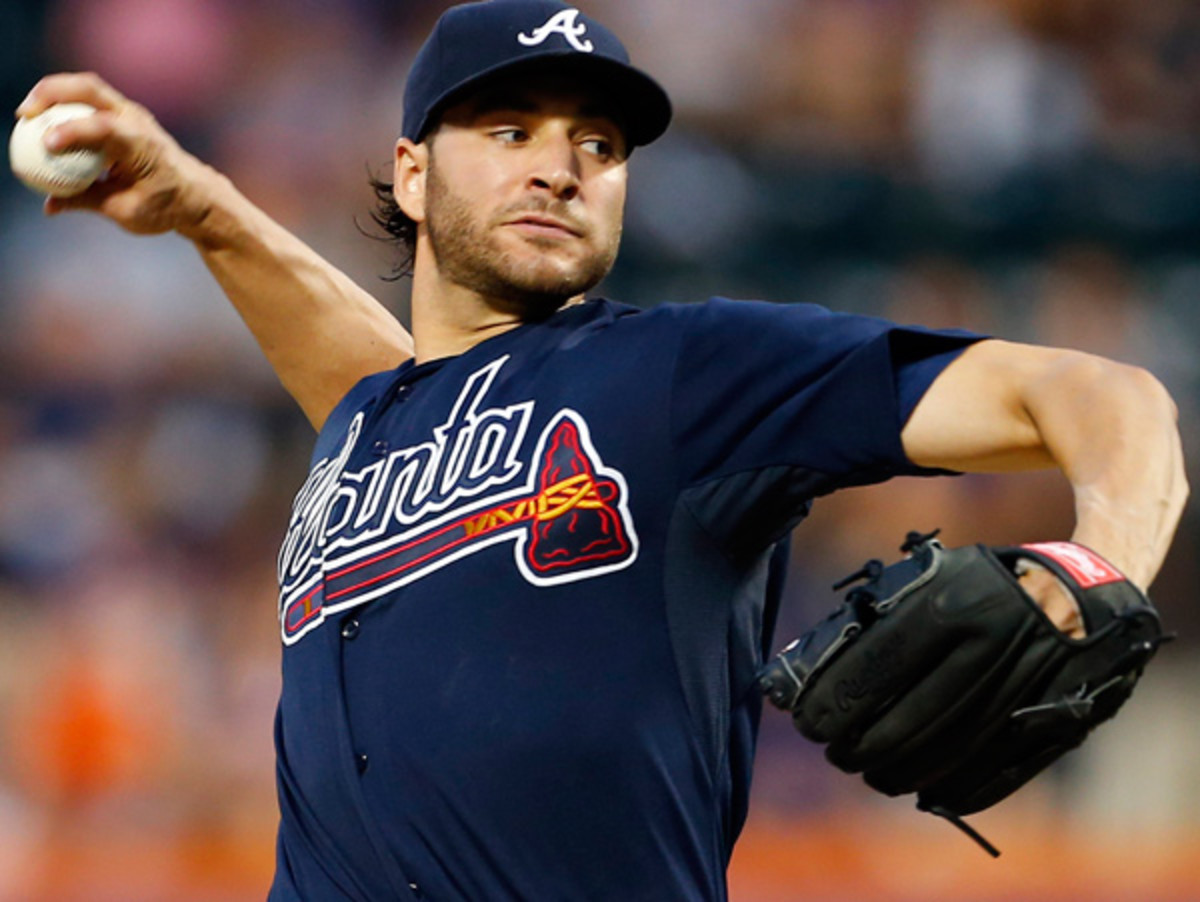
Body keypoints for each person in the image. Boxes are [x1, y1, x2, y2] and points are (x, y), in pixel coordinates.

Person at [16, 1, 1187, 899]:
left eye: (599, 143)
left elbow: (1099, 394)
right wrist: (201, 207)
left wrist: (1100, 563)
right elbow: (382, 373)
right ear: (412, 174)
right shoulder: (378, 423)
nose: (560, 164)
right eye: (509, 127)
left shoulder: (688, 374)